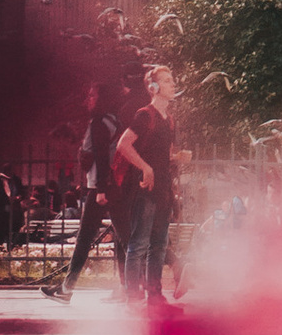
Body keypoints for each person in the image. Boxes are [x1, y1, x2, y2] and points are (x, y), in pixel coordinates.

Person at [42, 77, 152, 302]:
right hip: (115, 186)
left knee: (97, 239)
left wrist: (101, 188)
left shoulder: (99, 123)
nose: (88, 100)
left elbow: (102, 157)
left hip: (102, 188)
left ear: (102, 98)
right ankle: (130, 288)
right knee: (124, 238)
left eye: (92, 96)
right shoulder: (115, 121)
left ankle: (72, 289)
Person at [121, 65, 179, 303]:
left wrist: (177, 157)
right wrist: (145, 168)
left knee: (159, 245)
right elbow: (123, 145)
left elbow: (164, 153)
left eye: (172, 80)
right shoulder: (145, 115)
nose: (173, 85)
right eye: (167, 81)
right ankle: (133, 295)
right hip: (146, 189)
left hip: (164, 189)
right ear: (153, 87)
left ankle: (154, 294)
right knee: (139, 244)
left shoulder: (170, 120)